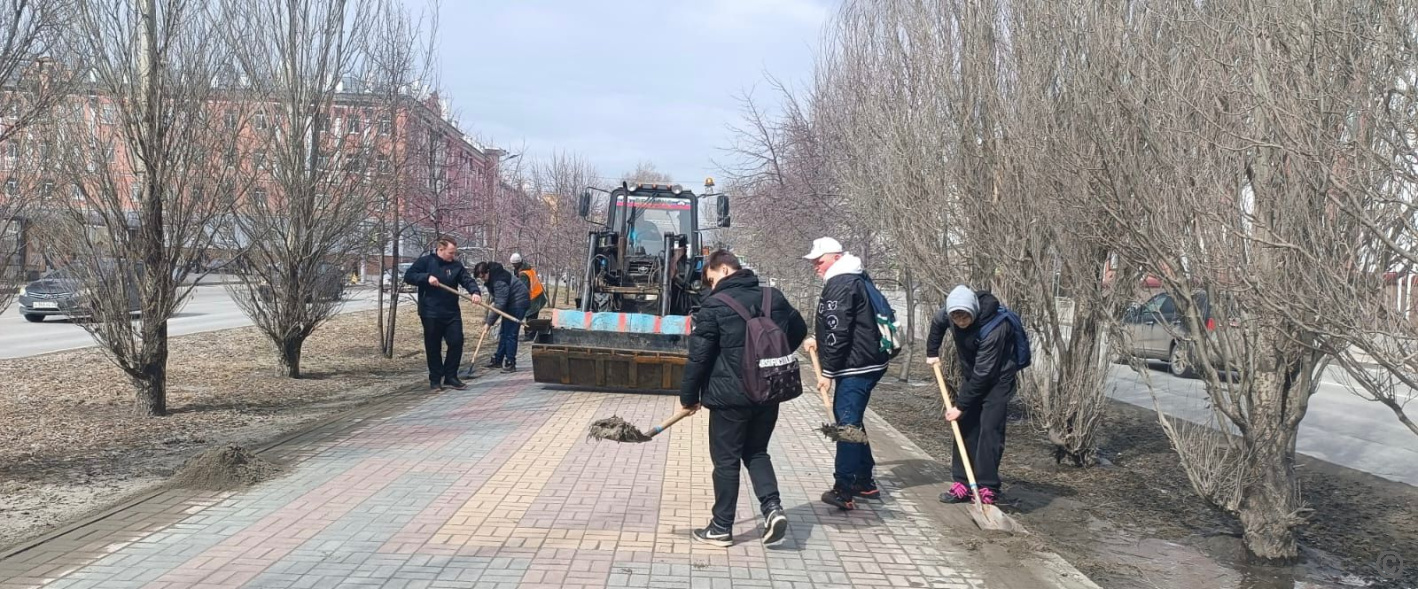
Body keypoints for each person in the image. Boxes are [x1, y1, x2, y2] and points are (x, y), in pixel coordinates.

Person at [680, 250, 807, 548]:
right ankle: (772, 509)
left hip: (730, 399)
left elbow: (698, 358)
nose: (710, 287)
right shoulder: (772, 297)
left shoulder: (713, 306)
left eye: (711, 279)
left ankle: (721, 526)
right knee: (757, 452)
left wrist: (689, 397)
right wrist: (772, 357)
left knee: (726, 461)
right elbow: (799, 329)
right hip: (767, 392)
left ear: (723, 269)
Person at [800, 237, 891, 511]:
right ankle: (864, 481)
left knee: (846, 425)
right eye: (814, 261)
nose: (816, 265)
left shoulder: (840, 282)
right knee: (850, 419)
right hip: (868, 361)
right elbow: (843, 324)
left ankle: (844, 488)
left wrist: (827, 371)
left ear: (836, 257)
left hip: (856, 365)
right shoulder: (856, 277)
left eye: (820, 259)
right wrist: (819, 337)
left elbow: (839, 330)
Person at [925, 285, 1020, 505]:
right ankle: (963, 483)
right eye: (955, 318)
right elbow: (938, 323)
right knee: (965, 427)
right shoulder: (948, 313)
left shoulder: (996, 327)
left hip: (998, 379)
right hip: (973, 374)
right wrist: (932, 352)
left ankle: (987, 487)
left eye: (964, 318)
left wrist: (960, 406)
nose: (960, 322)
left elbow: (983, 374)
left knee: (989, 430)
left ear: (973, 311)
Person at [403, 237, 481, 392]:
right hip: (430, 312)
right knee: (433, 346)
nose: (453, 256)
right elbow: (409, 276)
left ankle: (451, 376)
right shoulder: (425, 262)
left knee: (456, 342)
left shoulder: (456, 266)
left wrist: (475, 292)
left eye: (454, 253)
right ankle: (435, 379)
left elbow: (467, 280)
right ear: (440, 249)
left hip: (451, 312)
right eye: (450, 253)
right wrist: (426, 277)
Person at [474, 261, 530, 372]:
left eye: (483, 276)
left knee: (510, 333)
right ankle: (498, 359)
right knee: (504, 332)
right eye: (480, 278)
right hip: (510, 303)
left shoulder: (499, 281)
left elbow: (499, 305)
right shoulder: (494, 276)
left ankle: (510, 362)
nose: (483, 279)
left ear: (488, 271)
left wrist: (489, 323)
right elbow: (499, 300)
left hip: (518, 303)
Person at [510, 253, 548, 341]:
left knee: (530, 315)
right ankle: (531, 334)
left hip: (534, 297)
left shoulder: (523, 273)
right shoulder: (526, 268)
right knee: (531, 316)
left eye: (514, 264)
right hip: (537, 295)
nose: (513, 266)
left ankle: (530, 335)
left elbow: (523, 289)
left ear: (517, 263)